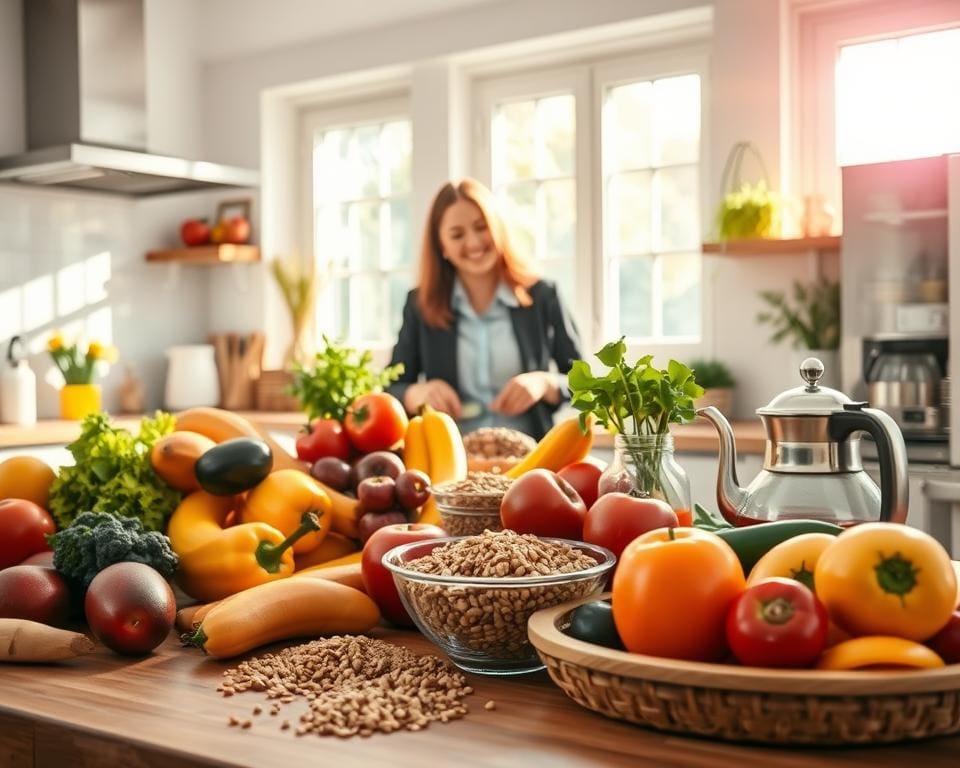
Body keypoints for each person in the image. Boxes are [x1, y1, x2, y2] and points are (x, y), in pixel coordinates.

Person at [387, 178, 582, 441]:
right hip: (453, 455)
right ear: (441, 246)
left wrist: (545, 383)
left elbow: (584, 384)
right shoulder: (419, 304)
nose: (474, 242)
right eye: (457, 235)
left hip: (533, 454)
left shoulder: (543, 296)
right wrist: (417, 394)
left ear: (498, 228)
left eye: (482, 227)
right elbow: (391, 388)